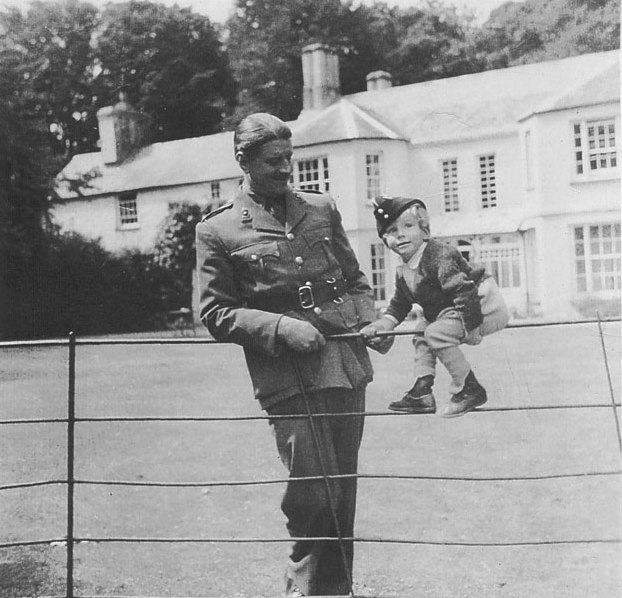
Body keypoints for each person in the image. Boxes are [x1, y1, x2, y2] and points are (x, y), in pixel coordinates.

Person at [195, 113, 377, 596]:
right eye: (273, 161)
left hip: (344, 364)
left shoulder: (320, 208)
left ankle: (336, 590)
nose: (285, 169)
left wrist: (371, 321)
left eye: (289, 158)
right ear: (244, 161)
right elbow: (214, 312)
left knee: (342, 488)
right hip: (285, 375)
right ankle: (304, 587)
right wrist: (280, 327)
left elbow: (355, 281)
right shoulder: (218, 229)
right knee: (312, 490)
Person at [360, 196, 509, 418]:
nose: (400, 234)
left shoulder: (439, 255)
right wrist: (383, 324)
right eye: (391, 230)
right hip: (451, 308)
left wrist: (472, 328)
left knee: (435, 332)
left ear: (425, 231)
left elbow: (463, 290)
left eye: (408, 226)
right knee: (422, 331)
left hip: (482, 304)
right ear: (385, 241)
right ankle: (422, 390)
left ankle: (469, 388)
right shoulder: (404, 270)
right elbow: (400, 304)